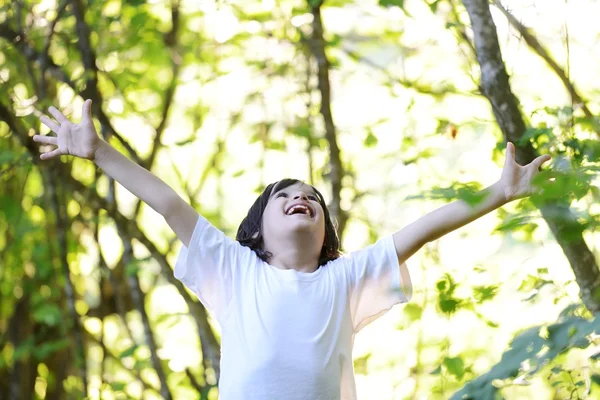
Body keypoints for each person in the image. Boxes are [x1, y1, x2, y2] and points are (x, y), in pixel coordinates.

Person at [34, 99, 552, 399]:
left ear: (326, 234)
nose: (301, 198)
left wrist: (498, 194)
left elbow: (421, 230)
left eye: (311, 198)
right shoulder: (236, 269)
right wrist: (98, 152)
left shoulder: (344, 278)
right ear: (257, 230)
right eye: (285, 196)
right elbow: (169, 204)